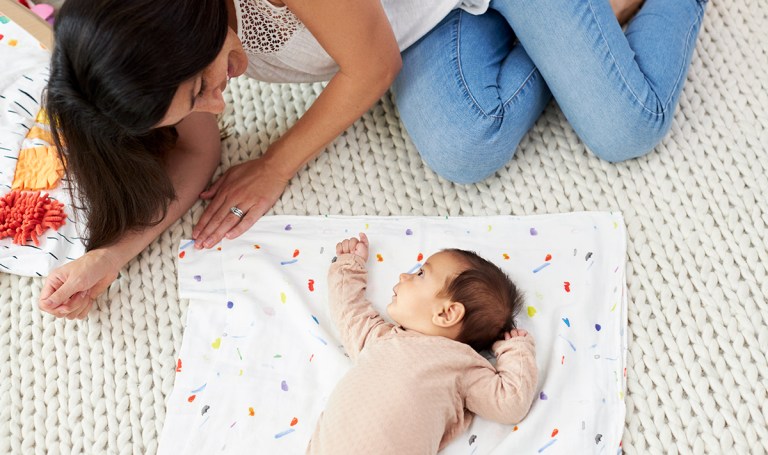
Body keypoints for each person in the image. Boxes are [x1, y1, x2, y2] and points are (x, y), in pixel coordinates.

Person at [39, 0, 707, 318]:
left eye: (201, 87)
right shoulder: (159, 35)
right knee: (463, 143)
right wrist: (113, 254)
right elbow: (196, 149)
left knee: (626, 126)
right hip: (414, 16)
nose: (215, 104)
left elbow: (373, 64)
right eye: (194, 100)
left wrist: (277, 163)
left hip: (386, 36)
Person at [307, 232, 537, 453]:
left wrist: (515, 350)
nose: (403, 276)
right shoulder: (380, 338)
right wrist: (349, 265)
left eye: (420, 274)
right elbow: (348, 309)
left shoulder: (463, 365)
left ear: (447, 314)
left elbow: (510, 403)